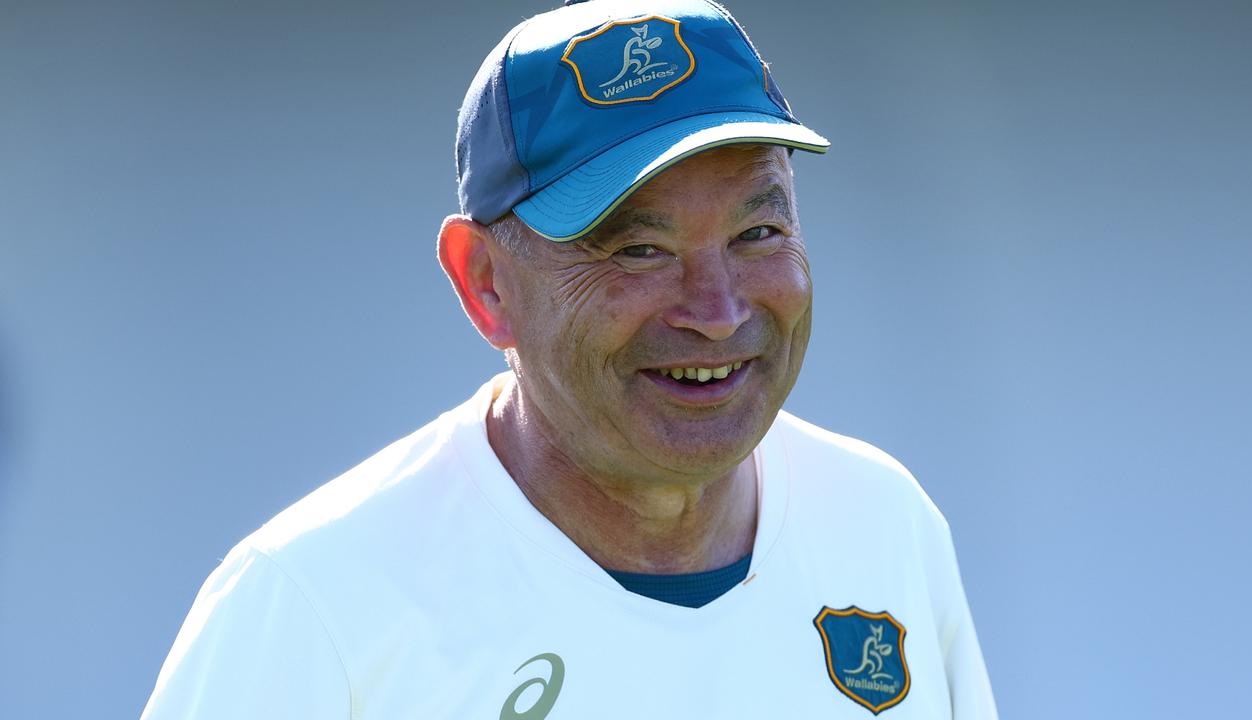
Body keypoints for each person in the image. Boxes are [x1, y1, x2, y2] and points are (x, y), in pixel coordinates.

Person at [142, 0, 997, 717]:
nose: (718, 311)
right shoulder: (311, 609)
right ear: (486, 285)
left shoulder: (885, 524)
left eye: (758, 232)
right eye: (638, 250)